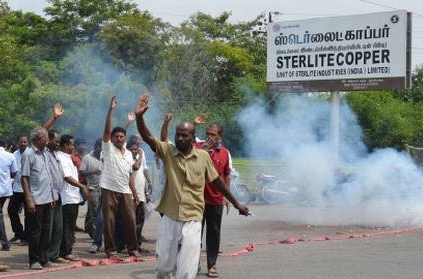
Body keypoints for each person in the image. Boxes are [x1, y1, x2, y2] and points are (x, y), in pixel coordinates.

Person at [134, 94, 249, 279]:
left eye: (184, 135)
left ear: (192, 138)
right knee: (163, 267)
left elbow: (217, 181)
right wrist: (139, 117)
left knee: (187, 269)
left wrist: (236, 204)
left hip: (193, 217)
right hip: (170, 216)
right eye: (177, 134)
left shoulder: (203, 157)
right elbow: (148, 137)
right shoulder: (168, 151)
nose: (179, 138)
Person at [100, 96, 139, 259]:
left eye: (122, 137)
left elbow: (129, 174)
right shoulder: (108, 148)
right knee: (109, 222)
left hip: (125, 190)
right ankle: (110, 250)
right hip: (109, 189)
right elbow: (108, 130)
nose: (119, 138)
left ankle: (133, 249)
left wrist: (135, 192)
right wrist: (111, 110)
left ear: (125, 138)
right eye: (116, 137)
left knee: (130, 220)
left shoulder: (129, 153)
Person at [195, 123, 232, 278]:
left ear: (220, 136)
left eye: (213, 134)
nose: (209, 136)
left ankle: (212, 265)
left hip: (216, 200)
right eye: (208, 133)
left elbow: (227, 174)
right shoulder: (197, 146)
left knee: (213, 234)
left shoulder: (225, 153)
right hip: (196, 200)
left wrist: (227, 197)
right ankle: (193, 263)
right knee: (194, 234)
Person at [21, 127, 56, 269]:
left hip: (48, 198)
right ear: (37, 139)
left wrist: (53, 195)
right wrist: (29, 199)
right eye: (45, 137)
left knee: (46, 231)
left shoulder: (45, 153)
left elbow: (48, 175)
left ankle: (44, 258)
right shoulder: (28, 154)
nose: (47, 140)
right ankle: (34, 260)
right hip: (35, 199)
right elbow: (24, 178)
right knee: (35, 232)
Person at [57, 134, 89, 261]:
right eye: (71, 144)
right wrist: (82, 186)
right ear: (65, 145)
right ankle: (66, 252)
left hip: (72, 196)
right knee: (67, 226)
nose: (73, 147)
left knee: (69, 225)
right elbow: (67, 177)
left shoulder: (67, 157)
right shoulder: (61, 158)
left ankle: (65, 250)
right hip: (67, 197)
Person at [127, 138, 152, 253]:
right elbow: (136, 167)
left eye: (136, 149)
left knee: (140, 220)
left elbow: (143, 170)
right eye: (132, 149)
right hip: (131, 194)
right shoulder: (127, 158)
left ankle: (137, 244)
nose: (135, 151)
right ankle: (131, 245)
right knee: (131, 221)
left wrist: (148, 188)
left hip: (141, 193)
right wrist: (140, 155)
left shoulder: (140, 156)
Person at [79, 138, 103, 239]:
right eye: (101, 148)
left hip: (104, 189)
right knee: (95, 211)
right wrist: (92, 172)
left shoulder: (105, 157)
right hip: (92, 189)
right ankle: (94, 235)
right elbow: (81, 172)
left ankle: (90, 227)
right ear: (96, 147)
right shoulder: (87, 158)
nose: (102, 151)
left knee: (100, 213)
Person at [7, 134, 28, 246]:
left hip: (28, 189)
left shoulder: (30, 153)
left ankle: (27, 238)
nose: (23, 144)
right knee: (11, 211)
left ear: (28, 142)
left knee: (28, 215)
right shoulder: (14, 154)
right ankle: (19, 234)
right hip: (16, 188)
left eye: (25, 142)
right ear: (17, 142)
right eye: (21, 142)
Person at [0, 135, 18, 251]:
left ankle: (5, 242)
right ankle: (5, 242)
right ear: (6, 145)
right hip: (5, 190)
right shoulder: (10, 156)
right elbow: (14, 172)